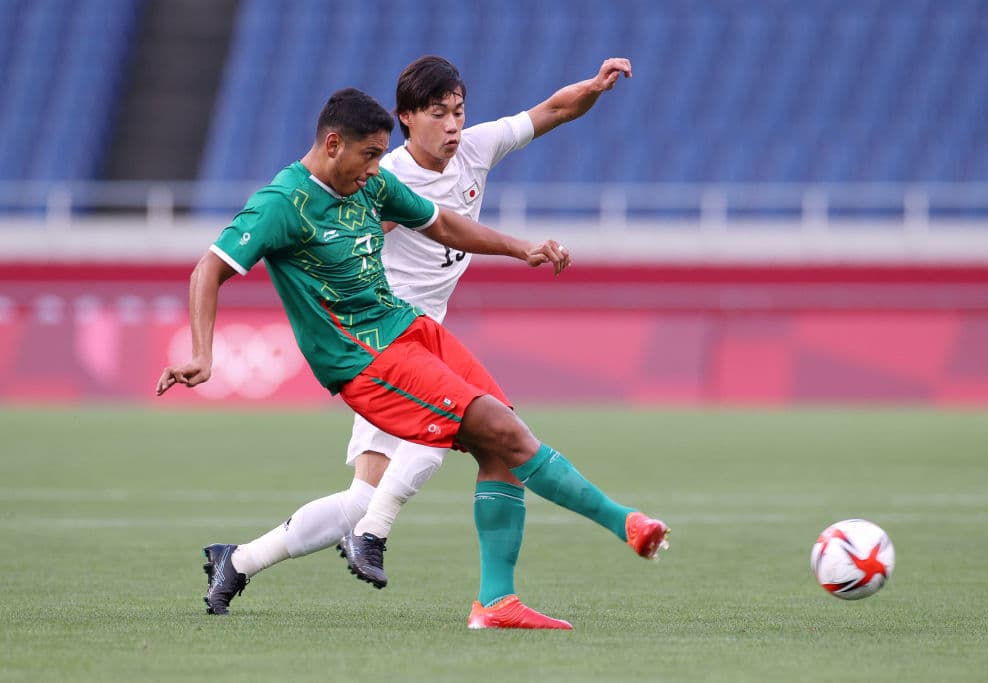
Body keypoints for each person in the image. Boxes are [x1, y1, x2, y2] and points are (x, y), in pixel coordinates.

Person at [156, 87, 668, 629]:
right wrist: (202, 354)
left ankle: (493, 601)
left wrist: (521, 249)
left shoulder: (371, 182)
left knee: (497, 442)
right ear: (333, 144)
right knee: (505, 436)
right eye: (370, 155)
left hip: (413, 331)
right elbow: (207, 269)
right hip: (366, 359)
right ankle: (626, 523)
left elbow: (441, 223)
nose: (378, 168)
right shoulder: (282, 203)